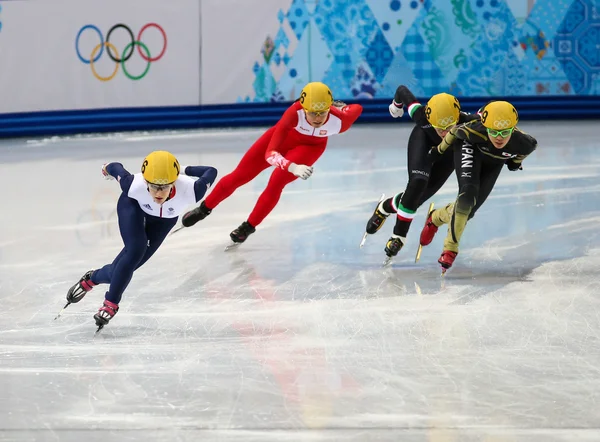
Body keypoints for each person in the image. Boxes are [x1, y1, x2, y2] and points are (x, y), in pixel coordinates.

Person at [180, 81, 363, 245]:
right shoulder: (294, 113)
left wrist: (341, 109)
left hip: (309, 148)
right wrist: (292, 167)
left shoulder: (342, 121)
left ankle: (248, 227)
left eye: (322, 113)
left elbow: (357, 107)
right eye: (312, 113)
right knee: (241, 175)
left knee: (276, 183)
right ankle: (204, 209)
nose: (317, 118)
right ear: (303, 108)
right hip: (283, 139)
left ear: (329, 108)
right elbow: (270, 154)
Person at [62, 151, 217, 331]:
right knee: (136, 249)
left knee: (123, 269)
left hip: (164, 221)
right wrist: (106, 168)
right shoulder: (133, 185)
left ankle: (91, 278)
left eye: (164, 186)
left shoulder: (192, 191)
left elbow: (211, 170)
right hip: (133, 206)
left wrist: (180, 169)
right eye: (152, 186)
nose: (158, 193)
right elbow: (115, 166)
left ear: (174, 182)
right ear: (145, 182)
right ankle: (111, 303)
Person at [362, 85, 479, 262]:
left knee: (415, 200)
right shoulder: (421, 114)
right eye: (440, 129)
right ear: (430, 120)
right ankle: (398, 237)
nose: (445, 133)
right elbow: (401, 90)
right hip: (423, 143)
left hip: (447, 154)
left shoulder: (467, 121)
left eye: (450, 128)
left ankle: (384, 207)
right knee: (417, 182)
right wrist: (396, 105)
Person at [419, 100, 538, 272]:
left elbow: (522, 154)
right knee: (467, 194)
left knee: (467, 212)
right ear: (485, 127)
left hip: (493, 163)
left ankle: (435, 218)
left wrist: (514, 163)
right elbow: (453, 132)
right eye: (494, 131)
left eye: (505, 132)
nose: (499, 137)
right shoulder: (473, 130)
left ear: (513, 129)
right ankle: (450, 249)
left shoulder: (526, 143)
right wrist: (438, 151)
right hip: (470, 148)